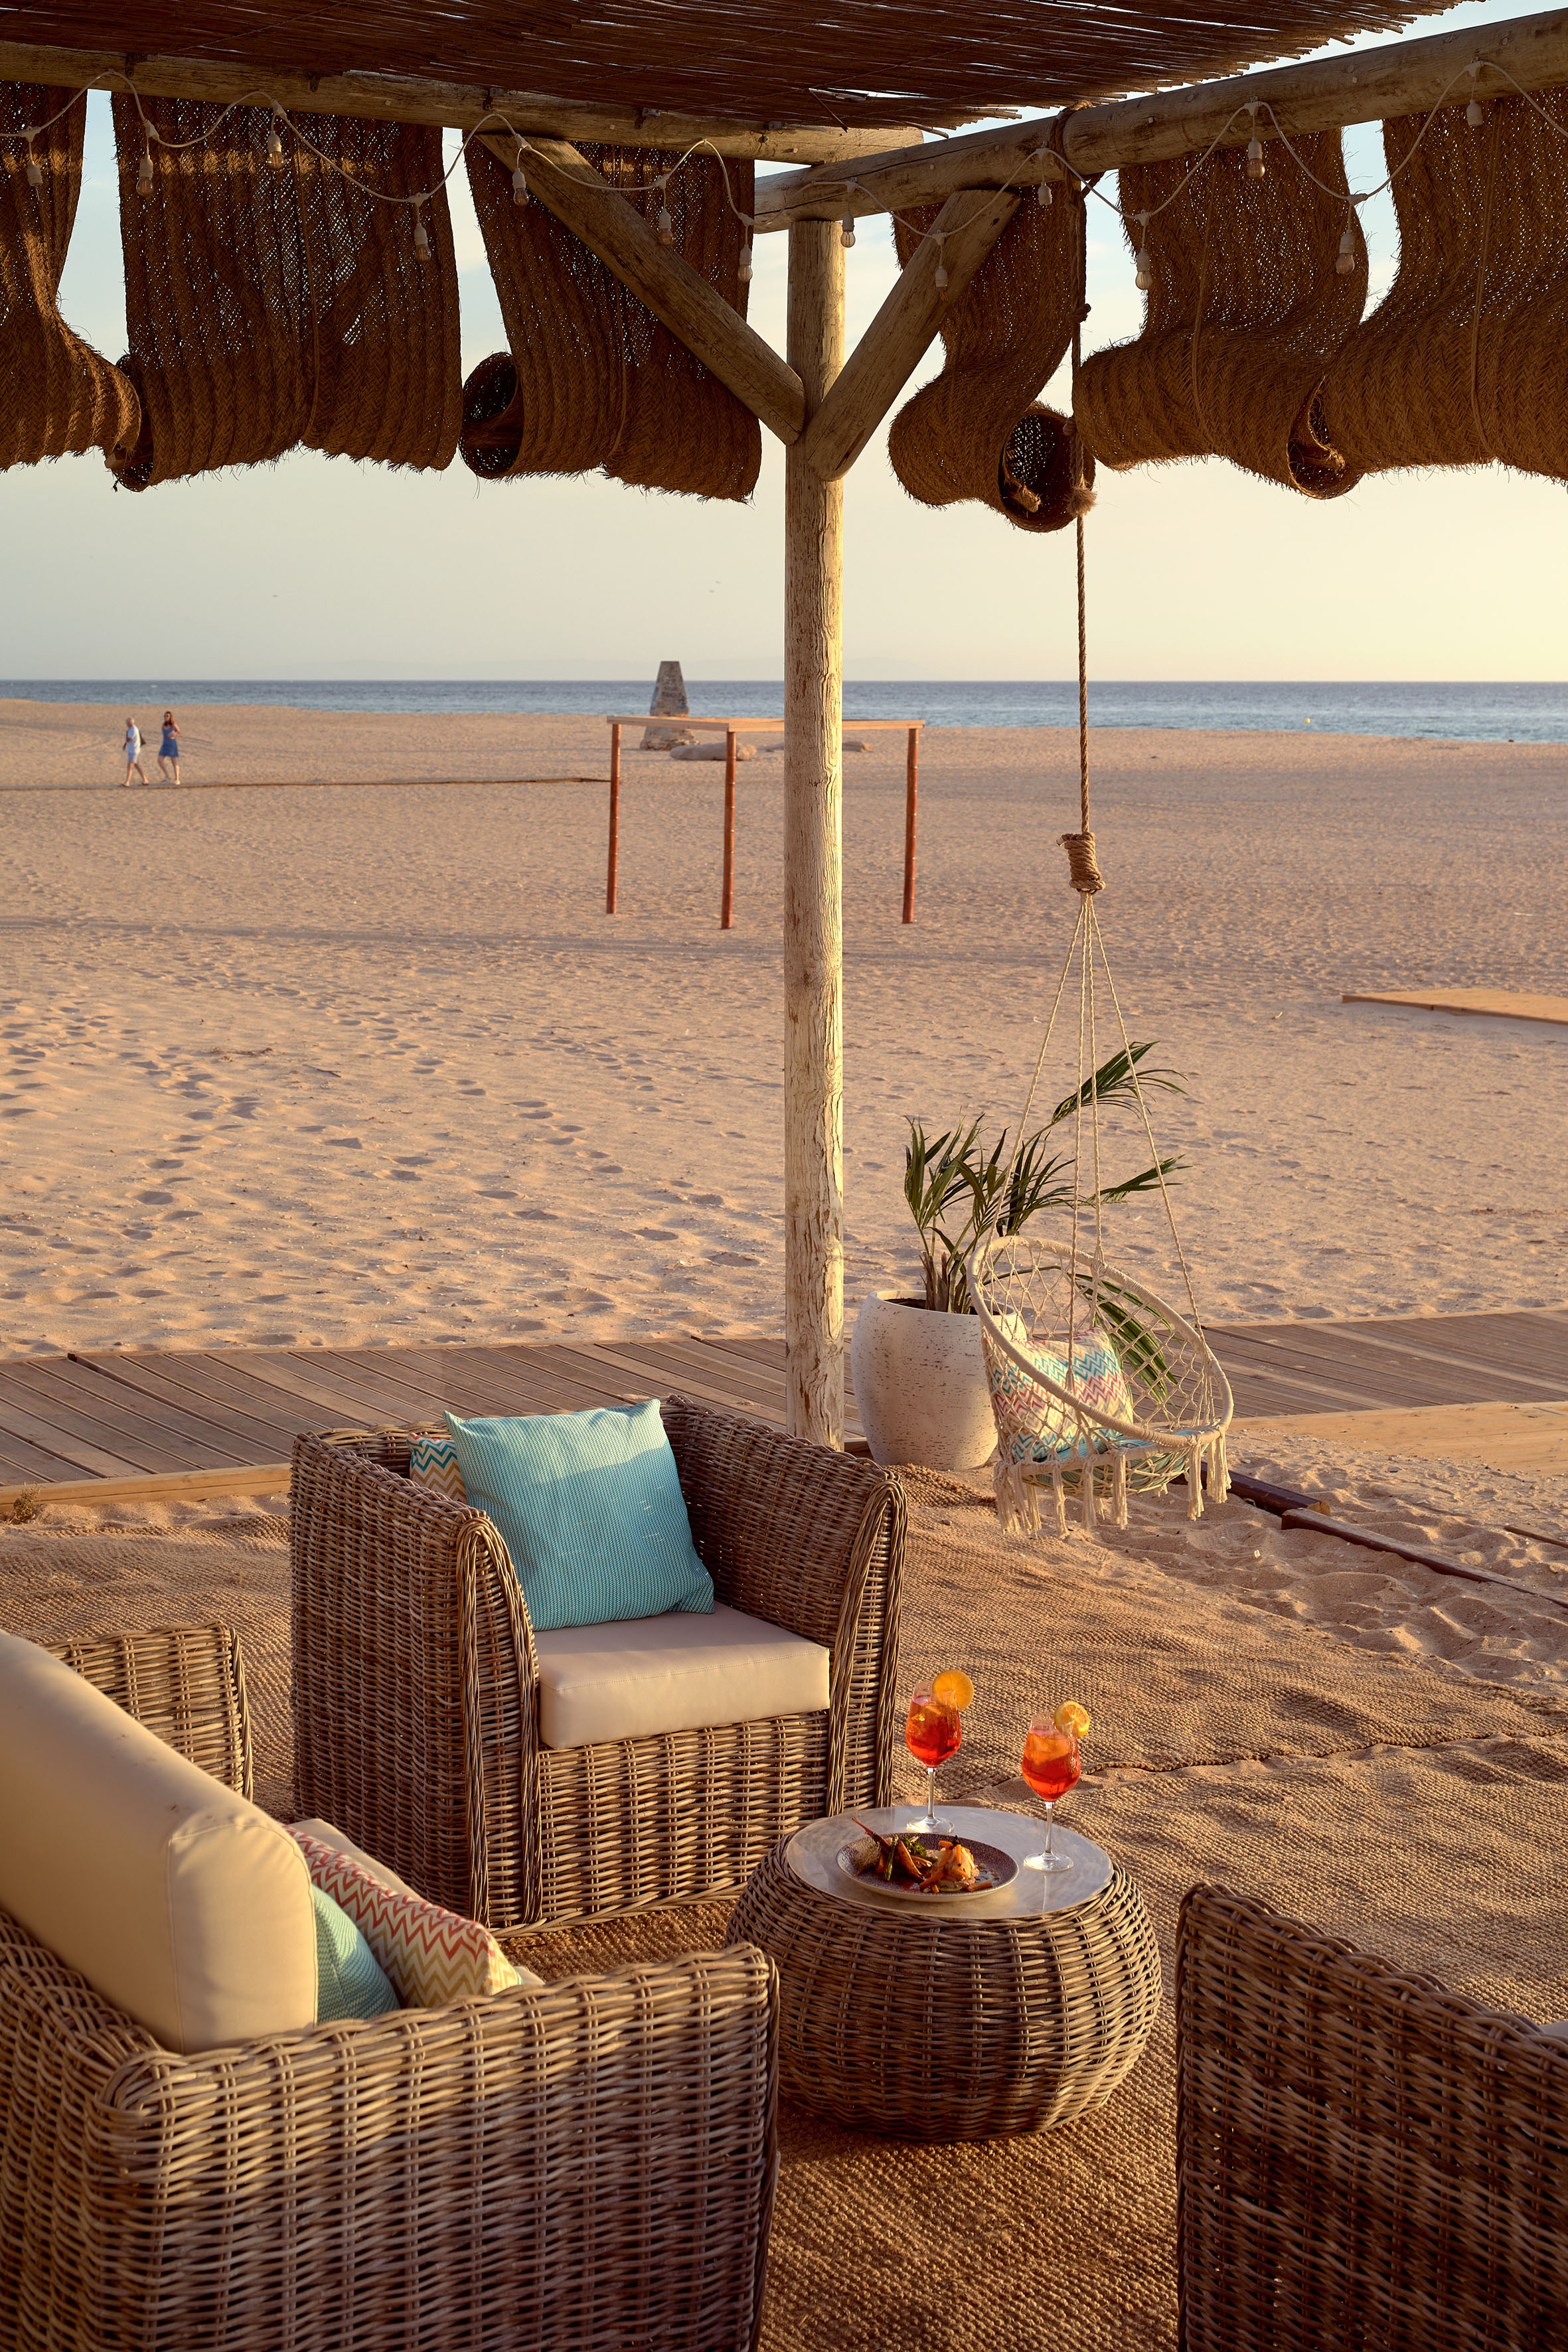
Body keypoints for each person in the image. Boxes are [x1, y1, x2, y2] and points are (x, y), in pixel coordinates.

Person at [157, 710, 181, 785]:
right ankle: (167, 776)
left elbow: (179, 733)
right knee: (159, 760)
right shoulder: (163, 725)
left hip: (172, 745)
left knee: (174, 763)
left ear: (170, 717)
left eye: (167, 716)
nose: (166, 717)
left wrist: (173, 735)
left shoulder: (173, 725)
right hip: (165, 745)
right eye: (165, 716)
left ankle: (177, 779)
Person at [123, 718, 147, 787]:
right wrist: (125, 745)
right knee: (137, 766)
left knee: (130, 766)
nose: (126, 724)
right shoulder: (132, 729)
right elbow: (129, 741)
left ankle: (127, 782)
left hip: (134, 751)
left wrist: (126, 734)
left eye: (127, 723)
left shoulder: (133, 730)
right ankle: (145, 780)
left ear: (130, 723)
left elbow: (129, 739)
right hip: (133, 750)